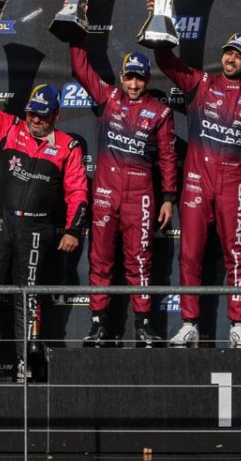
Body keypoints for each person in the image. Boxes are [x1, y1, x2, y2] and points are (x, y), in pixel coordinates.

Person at [0, 78, 88, 381]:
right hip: (0, 220)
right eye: (32, 112)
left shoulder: (67, 147)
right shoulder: (9, 128)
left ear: (56, 116)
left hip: (36, 227)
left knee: (29, 296)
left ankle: (27, 358)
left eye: (42, 115)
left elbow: (78, 193)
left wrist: (73, 230)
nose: (35, 119)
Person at [155, 31, 241, 347]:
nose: (231, 59)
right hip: (196, 182)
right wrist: (161, 23)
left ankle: (238, 325)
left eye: (239, 55)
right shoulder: (200, 83)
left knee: (238, 254)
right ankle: (189, 323)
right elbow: (165, 60)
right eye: (228, 52)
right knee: (190, 254)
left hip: (234, 185)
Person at [69, 36, 177, 347]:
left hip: (140, 196)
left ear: (147, 79)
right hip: (105, 194)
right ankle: (97, 326)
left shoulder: (160, 112)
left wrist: (169, 197)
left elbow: (168, 157)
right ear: (121, 76)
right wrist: (76, 26)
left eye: (139, 78)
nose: (133, 84)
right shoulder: (108, 97)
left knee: (140, 261)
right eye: (129, 77)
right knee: (100, 260)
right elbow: (80, 67)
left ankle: (143, 326)